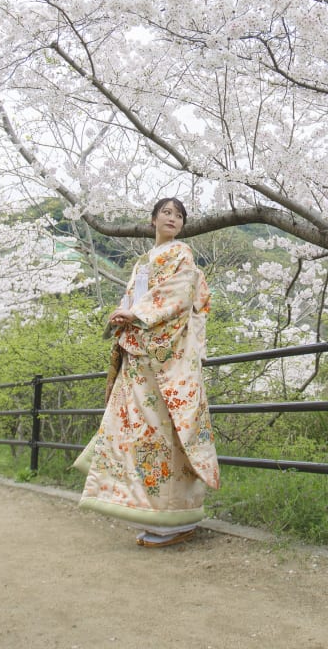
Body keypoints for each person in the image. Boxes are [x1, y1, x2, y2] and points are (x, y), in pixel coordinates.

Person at [74, 197, 220, 547]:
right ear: (153, 219)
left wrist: (137, 315)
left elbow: (178, 295)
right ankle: (156, 517)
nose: (172, 218)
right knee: (139, 434)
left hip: (164, 358)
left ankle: (172, 520)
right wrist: (122, 313)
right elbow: (135, 301)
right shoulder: (143, 261)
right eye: (166, 213)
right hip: (139, 355)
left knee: (165, 433)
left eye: (179, 215)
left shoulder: (181, 254)